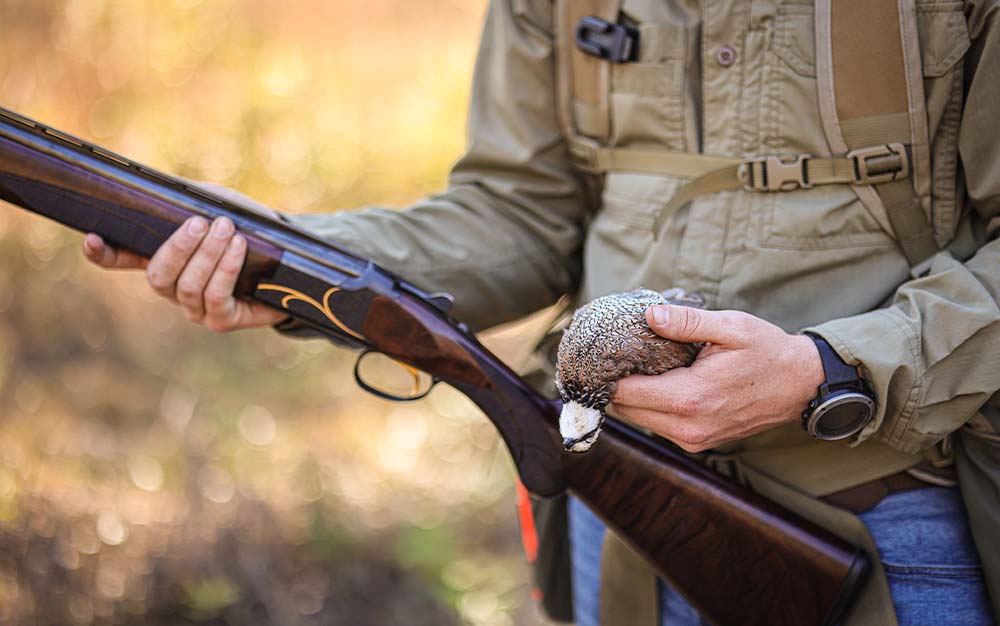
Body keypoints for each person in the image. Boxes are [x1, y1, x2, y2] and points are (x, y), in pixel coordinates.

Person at [81, 1, 999, 624]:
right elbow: (519, 212)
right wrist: (273, 255)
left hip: (891, 514)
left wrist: (833, 372)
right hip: (615, 500)